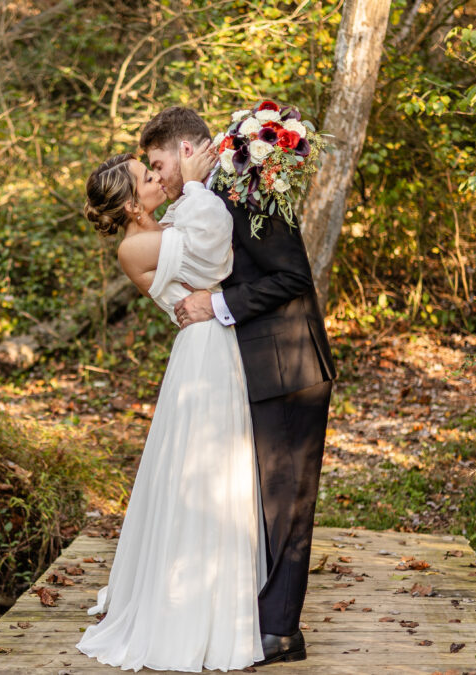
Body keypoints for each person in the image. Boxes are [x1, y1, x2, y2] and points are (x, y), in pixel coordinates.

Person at [142, 107, 336, 666]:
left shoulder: (250, 185)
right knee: (260, 499)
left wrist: (216, 304)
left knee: (287, 501)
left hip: (288, 363)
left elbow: (293, 274)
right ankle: (258, 618)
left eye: (158, 164)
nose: (157, 177)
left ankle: (280, 632)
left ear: (184, 149)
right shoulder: (205, 195)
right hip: (248, 366)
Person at [75, 144, 266, 672]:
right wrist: (199, 185)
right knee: (200, 478)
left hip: (213, 346)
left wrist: (196, 187)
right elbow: (215, 254)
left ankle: (219, 602)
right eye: (148, 176)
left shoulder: (161, 226)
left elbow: (197, 235)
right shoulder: (135, 248)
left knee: (214, 477)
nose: (160, 178)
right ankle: (189, 615)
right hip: (203, 356)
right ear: (134, 205)